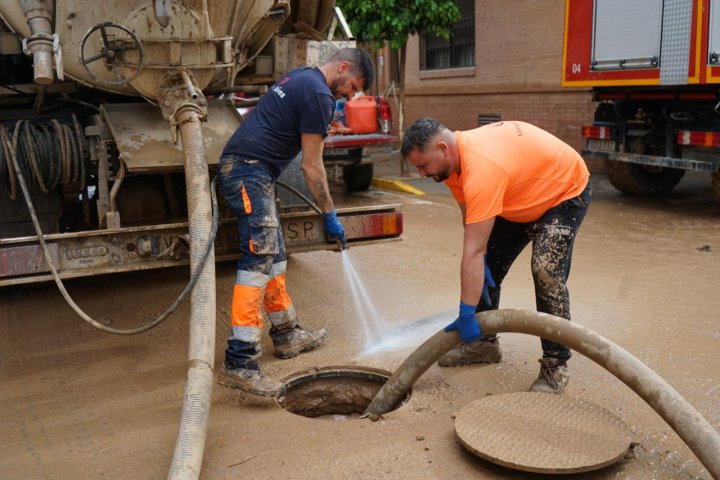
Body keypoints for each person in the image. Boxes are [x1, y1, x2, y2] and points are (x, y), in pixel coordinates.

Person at [216, 48, 375, 396]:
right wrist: (330, 215)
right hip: (247, 172)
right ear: (343, 67)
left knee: (275, 254)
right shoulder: (320, 93)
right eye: (352, 87)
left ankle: (287, 333)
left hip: (248, 170)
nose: (350, 95)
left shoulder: (302, 76)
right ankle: (239, 361)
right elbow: (312, 167)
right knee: (257, 261)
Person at [401, 117, 591, 394]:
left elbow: (472, 251)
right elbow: (472, 225)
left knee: (545, 271)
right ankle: (483, 344)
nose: (421, 174)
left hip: (563, 192)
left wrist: (466, 312)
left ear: (443, 148)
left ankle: (556, 365)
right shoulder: (452, 166)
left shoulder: (482, 168)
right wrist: (483, 258)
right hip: (518, 193)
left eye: (422, 166)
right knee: (483, 263)